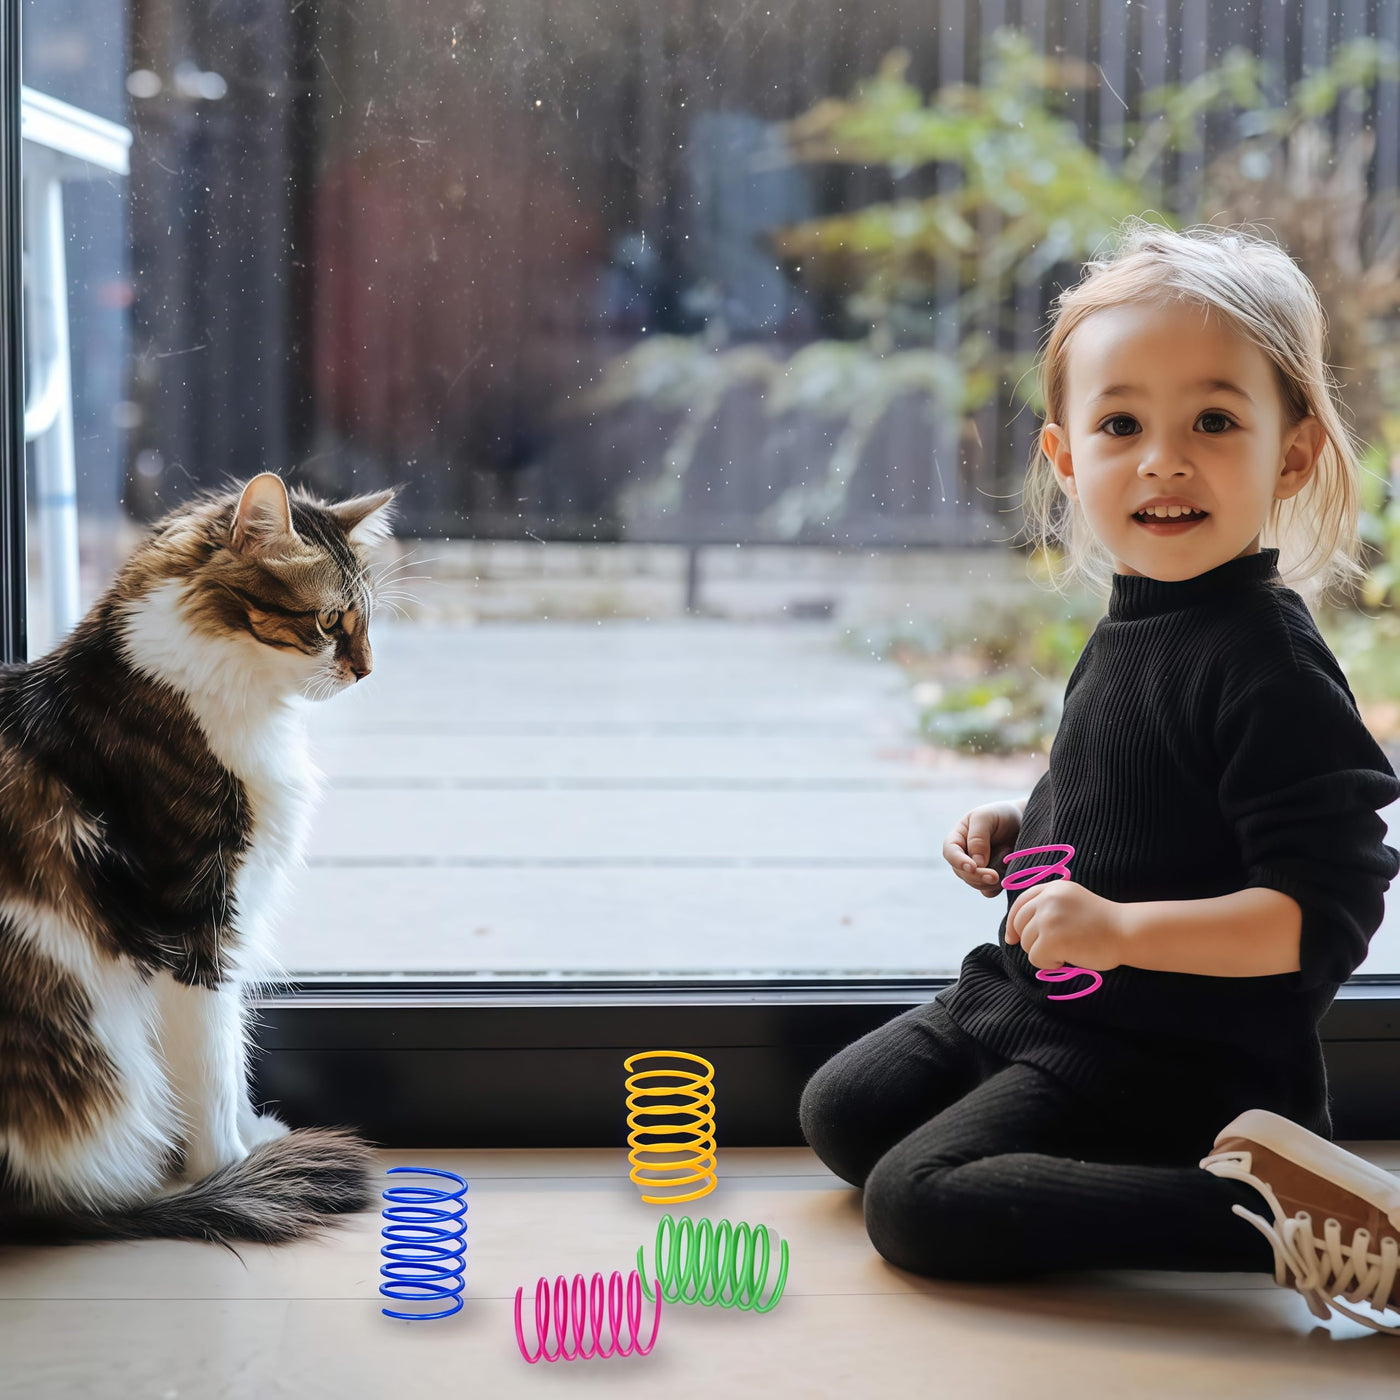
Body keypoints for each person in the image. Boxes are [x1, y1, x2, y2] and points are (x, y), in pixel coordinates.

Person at [799, 218, 1400, 1334]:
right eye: (1120, 422)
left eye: (1213, 420)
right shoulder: (1138, 617)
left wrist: (1119, 932)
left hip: (1159, 1047)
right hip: (1045, 1000)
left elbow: (1317, 915)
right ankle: (1114, 1162)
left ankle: (1265, 1211)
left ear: (1293, 452)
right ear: (1065, 456)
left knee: (914, 1203)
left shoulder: (1266, 660)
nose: (1162, 458)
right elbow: (1142, 799)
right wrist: (1021, 823)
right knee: (839, 1110)